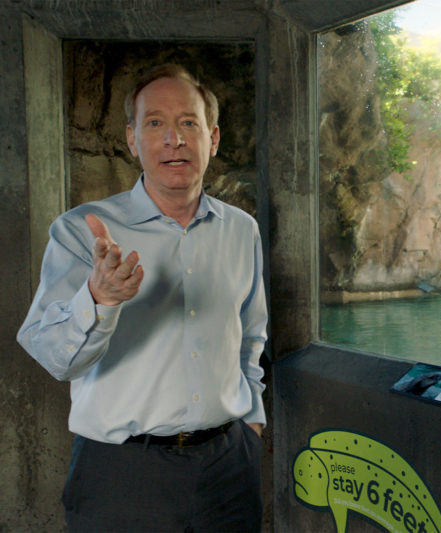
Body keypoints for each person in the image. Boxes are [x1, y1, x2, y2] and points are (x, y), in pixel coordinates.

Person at [17, 64, 268, 532]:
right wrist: (99, 297)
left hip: (228, 469)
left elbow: (251, 336)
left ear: (212, 139)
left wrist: (251, 424)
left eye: (188, 123)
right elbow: (54, 357)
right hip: (121, 474)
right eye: (155, 123)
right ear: (132, 140)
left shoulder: (242, 229)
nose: (174, 138)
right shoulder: (80, 231)